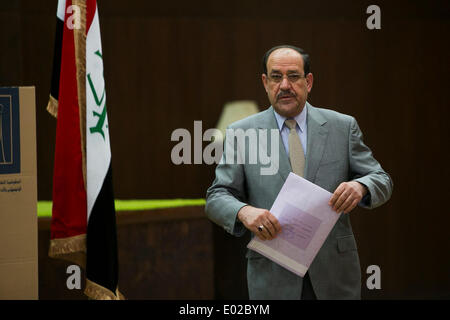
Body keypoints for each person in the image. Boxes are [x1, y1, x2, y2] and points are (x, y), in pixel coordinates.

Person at [205, 45, 393, 300]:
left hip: (334, 275)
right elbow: (217, 196)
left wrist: (361, 187)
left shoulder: (342, 126)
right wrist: (243, 211)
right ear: (265, 82)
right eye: (275, 77)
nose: (284, 85)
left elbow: (381, 179)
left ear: (309, 81)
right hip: (273, 276)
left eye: (293, 76)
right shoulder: (241, 133)